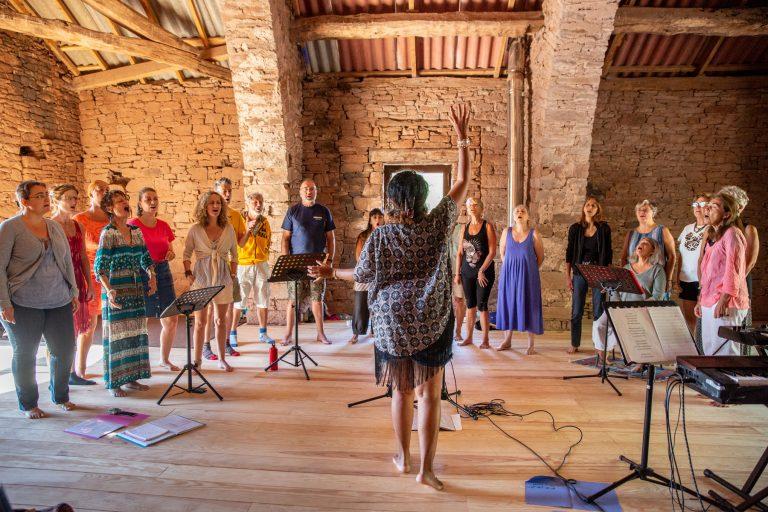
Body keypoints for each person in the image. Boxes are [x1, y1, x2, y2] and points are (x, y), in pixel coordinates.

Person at [309, 104, 470, 490]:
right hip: (432, 322)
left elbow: (361, 277)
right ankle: (426, 471)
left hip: (393, 325)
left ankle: (403, 458)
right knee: (431, 396)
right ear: (423, 198)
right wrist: (462, 138)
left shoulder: (380, 236)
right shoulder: (438, 225)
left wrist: (332, 271)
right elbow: (463, 180)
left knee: (401, 393)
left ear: (394, 200)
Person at [0, 181, 79, 418]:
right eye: (39, 196)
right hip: (23, 303)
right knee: (25, 353)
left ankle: (60, 395)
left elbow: (66, 262)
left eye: (46, 194)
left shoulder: (53, 227)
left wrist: (72, 292)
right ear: (24, 202)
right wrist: (4, 303)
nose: (45, 199)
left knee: (65, 350)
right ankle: (28, 403)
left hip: (58, 299)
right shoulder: (9, 228)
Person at [95, 190, 155, 397]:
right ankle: (114, 383)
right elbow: (100, 267)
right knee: (117, 337)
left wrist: (152, 275)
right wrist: (109, 290)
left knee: (135, 333)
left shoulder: (136, 231)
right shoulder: (108, 233)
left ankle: (132, 378)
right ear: (110, 208)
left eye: (126, 200)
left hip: (136, 290)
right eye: (120, 202)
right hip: (117, 292)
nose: (126, 204)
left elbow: (145, 258)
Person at [183, 191, 239, 371]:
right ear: (204, 206)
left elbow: (234, 255)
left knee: (221, 321)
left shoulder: (229, 228)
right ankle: (197, 360)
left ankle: (222, 358)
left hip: (223, 278)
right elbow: (186, 254)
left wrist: (232, 274)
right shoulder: (195, 229)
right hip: (201, 278)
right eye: (211, 203)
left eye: (218, 203)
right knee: (200, 322)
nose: (215, 206)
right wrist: (188, 273)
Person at [128, 187, 179, 371]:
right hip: (142, 273)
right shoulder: (133, 225)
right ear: (140, 203)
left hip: (163, 271)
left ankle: (164, 359)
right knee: (142, 320)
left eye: (155, 198)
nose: (152, 201)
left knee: (171, 319)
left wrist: (171, 254)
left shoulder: (163, 225)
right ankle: (139, 363)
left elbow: (170, 250)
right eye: (148, 199)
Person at [592, 238, 666, 364]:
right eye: (639, 243)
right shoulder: (626, 268)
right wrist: (617, 305)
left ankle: (639, 360)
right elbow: (615, 290)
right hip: (620, 307)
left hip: (641, 310)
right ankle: (603, 353)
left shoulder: (657, 270)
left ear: (653, 251)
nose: (641, 245)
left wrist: (640, 306)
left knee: (629, 328)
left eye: (645, 243)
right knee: (599, 324)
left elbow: (658, 296)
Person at [50, 184, 96, 385]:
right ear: (56, 200)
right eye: (68, 198)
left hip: (78, 276)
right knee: (61, 329)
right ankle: (59, 375)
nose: (73, 202)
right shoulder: (50, 225)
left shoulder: (79, 226)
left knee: (78, 327)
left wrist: (90, 284)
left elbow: (84, 258)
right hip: (59, 279)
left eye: (75, 198)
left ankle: (72, 373)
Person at [281, 179, 336, 345]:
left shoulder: (324, 211)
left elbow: (331, 239)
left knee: (317, 300)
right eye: (305, 189)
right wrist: (286, 262)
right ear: (300, 191)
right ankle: (288, 334)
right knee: (292, 300)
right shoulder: (293, 211)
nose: (308, 192)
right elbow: (285, 238)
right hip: (296, 264)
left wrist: (329, 261)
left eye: (312, 189)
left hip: (318, 264)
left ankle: (320, 334)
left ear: (316, 191)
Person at [696, 193, 749, 356]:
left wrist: (724, 300)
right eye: (708, 205)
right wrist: (700, 299)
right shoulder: (713, 236)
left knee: (725, 353)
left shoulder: (732, 234)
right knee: (710, 349)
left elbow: (734, 270)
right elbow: (708, 274)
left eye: (714, 206)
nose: (708, 208)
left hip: (726, 301)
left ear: (727, 214)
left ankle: (729, 382)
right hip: (709, 300)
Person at [565, 196, 612, 354]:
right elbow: (569, 254)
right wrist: (567, 276)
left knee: (599, 310)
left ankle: (599, 346)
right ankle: (574, 343)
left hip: (599, 273)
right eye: (587, 205)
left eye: (593, 205)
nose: (590, 207)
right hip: (579, 273)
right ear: (584, 208)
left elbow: (609, 254)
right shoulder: (575, 228)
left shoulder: (604, 229)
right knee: (577, 310)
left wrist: (607, 277)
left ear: (597, 209)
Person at [72, 180, 109, 379]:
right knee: (89, 324)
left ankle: (112, 366)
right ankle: (80, 369)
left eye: (106, 190)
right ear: (91, 193)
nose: (104, 192)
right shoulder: (80, 219)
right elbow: (81, 247)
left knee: (111, 323)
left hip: (110, 274)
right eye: (100, 189)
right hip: (90, 274)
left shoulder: (112, 218)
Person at [496, 204, 544, 354]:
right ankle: (507, 340)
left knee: (530, 303)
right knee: (508, 303)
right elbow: (502, 253)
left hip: (529, 276)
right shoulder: (506, 232)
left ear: (528, 216)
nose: (520, 212)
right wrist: (511, 266)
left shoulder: (534, 234)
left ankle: (531, 344)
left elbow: (540, 258)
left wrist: (527, 268)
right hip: (509, 275)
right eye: (517, 211)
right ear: (513, 216)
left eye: (523, 210)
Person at [718, 185, 759, 337]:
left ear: (739, 207)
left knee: (734, 333)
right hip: (717, 287)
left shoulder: (748, 229)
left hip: (737, 285)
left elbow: (749, 263)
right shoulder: (718, 229)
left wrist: (729, 289)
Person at [456, 197, 496, 349]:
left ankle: (485, 340)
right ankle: (469, 338)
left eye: (475, 204)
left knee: (482, 305)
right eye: (469, 204)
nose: (472, 207)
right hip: (467, 272)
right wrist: (457, 273)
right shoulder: (464, 227)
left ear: (481, 208)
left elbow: (492, 252)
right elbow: (460, 253)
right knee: (470, 305)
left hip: (484, 273)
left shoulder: (487, 226)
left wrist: (481, 270)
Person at [234, 191, 273, 344]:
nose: (258, 205)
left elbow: (267, 241)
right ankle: (232, 334)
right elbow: (238, 243)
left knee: (263, 299)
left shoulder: (265, 221)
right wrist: (248, 229)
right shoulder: (239, 220)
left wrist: (264, 255)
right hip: (243, 265)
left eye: (260, 202)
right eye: (255, 202)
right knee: (239, 300)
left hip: (261, 264)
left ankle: (263, 333)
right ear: (248, 203)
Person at [214, 178, 248, 353]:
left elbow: (241, 243)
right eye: (224, 191)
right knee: (212, 310)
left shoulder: (235, 215)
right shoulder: (209, 215)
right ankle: (207, 346)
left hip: (231, 267)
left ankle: (227, 342)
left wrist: (250, 229)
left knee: (228, 307)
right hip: (213, 267)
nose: (227, 194)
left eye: (229, 191)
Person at [620, 199, 676, 296]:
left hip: (657, 279)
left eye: (645, 210)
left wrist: (668, 279)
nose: (642, 212)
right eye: (639, 210)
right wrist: (624, 279)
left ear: (653, 212)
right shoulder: (631, 234)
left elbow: (672, 256)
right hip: (634, 280)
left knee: (656, 308)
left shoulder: (662, 230)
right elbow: (624, 257)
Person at [675, 194, 710, 335]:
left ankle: (704, 349)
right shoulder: (687, 228)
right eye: (695, 204)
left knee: (705, 317)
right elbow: (681, 255)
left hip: (704, 279)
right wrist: (677, 277)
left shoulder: (712, 228)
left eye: (702, 204)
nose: (698, 207)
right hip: (686, 278)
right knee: (690, 318)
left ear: (708, 207)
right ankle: (694, 349)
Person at [349, 208, 384, 344]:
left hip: (380, 275)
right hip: (364, 273)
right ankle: (357, 332)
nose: (377, 220)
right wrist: (367, 269)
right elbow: (358, 257)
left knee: (378, 303)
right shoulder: (363, 236)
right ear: (370, 220)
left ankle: (376, 331)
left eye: (380, 217)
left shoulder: (386, 234)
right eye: (374, 217)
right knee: (360, 303)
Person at [450, 205, 469, 341]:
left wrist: (459, 272)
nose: (461, 214)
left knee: (459, 300)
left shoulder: (464, 230)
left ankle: (458, 331)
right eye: (459, 211)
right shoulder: (441, 229)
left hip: (459, 270)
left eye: (464, 211)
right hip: (443, 271)